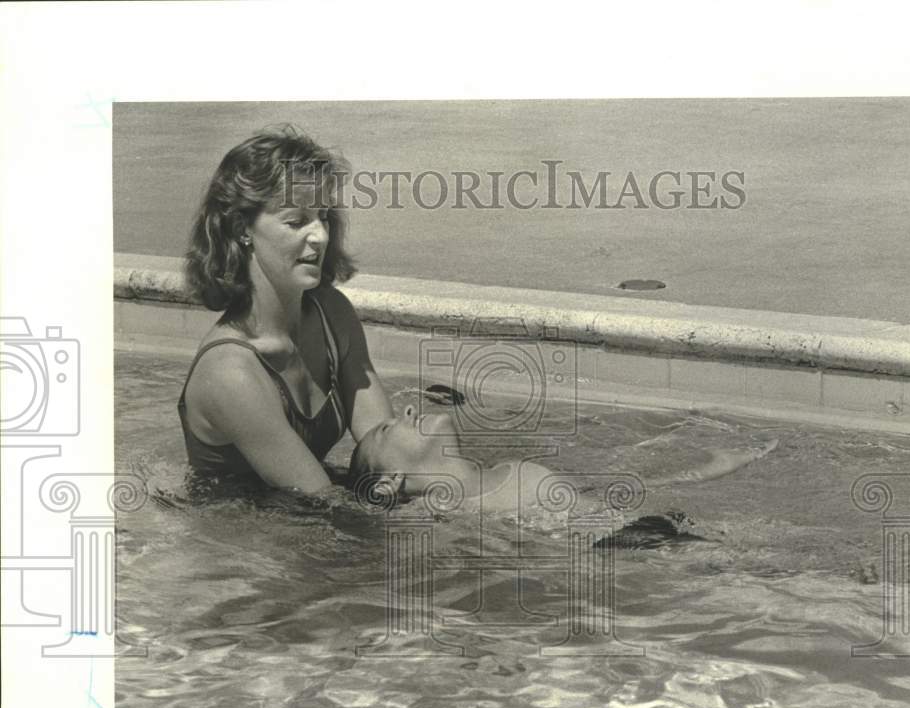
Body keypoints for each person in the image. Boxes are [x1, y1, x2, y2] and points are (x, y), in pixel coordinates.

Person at [178, 126, 393, 493]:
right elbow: (322, 503)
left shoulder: (332, 315)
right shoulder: (231, 372)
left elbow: (387, 446)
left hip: (305, 525)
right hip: (237, 544)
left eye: (323, 216)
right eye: (296, 221)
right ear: (242, 228)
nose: (321, 236)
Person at [347, 404, 778, 515]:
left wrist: (705, 471)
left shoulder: (501, 480)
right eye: (387, 429)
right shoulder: (443, 516)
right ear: (389, 484)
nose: (404, 411)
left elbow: (598, 498)